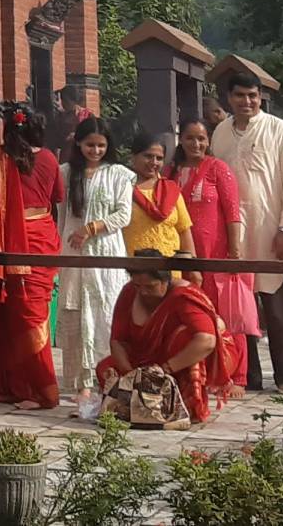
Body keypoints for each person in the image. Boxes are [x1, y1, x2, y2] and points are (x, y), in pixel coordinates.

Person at [208, 77, 283, 387]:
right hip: (234, 232)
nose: (246, 102)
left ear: (260, 97)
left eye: (252, 95)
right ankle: (248, 376)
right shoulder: (221, 132)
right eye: (240, 95)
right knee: (240, 306)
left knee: (277, 309)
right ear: (229, 97)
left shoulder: (279, 130)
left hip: (270, 228)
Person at [0, 107, 62, 409]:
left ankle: (44, 392)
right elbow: (56, 198)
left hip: (17, 243)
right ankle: (15, 386)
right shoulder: (50, 158)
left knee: (26, 315)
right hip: (42, 238)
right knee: (20, 315)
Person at [97, 254, 232, 429]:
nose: (143, 292)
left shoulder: (182, 296)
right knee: (105, 369)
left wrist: (163, 369)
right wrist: (132, 375)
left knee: (185, 337)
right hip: (143, 359)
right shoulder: (129, 292)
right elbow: (117, 340)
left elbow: (206, 341)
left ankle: (188, 405)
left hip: (178, 360)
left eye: (150, 286)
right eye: (138, 286)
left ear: (165, 281)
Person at [56, 116, 132, 402]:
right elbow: (61, 215)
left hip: (106, 253)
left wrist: (90, 229)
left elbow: (123, 215)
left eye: (101, 145)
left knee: (105, 315)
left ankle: (107, 377)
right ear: (78, 143)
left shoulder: (119, 174)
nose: (96, 151)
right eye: (90, 145)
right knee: (76, 315)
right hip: (74, 253)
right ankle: (81, 384)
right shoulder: (65, 173)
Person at [173, 119, 249, 398]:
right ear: (181, 140)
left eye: (202, 139)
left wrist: (235, 252)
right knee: (190, 316)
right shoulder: (171, 172)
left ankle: (236, 376)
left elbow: (232, 212)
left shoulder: (218, 169)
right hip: (181, 254)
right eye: (190, 138)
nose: (196, 144)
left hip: (215, 254)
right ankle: (198, 374)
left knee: (226, 315)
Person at [123, 131, 192, 259]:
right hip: (132, 266)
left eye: (159, 158)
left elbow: (184, 231)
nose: (153, 162)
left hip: (170, 267)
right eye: (148, 156)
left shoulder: (170, 190)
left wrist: (193, 266)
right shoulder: (121, 189)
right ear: (133, 157)